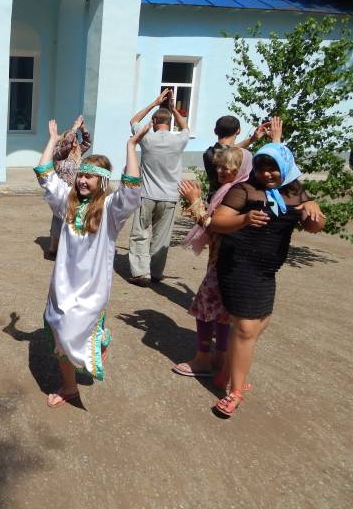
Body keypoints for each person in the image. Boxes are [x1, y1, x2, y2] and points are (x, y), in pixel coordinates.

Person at [34, 119, 149, 408]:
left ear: (102, 182)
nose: (83, 180)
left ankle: (96, 341)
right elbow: (45, 174)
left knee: (73, 332)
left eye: (90, 177)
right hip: (62, 286)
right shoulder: (67, 202)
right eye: (81, 175)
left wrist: (131, 146)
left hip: (90, 289)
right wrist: (52, 139)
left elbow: (131, 189)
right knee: (59, 332)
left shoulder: (111, 210)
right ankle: (70, 386)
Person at [209, 143, 325, 418]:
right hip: (238, 265)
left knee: (260, 323)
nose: (266, 174)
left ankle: (226, 372)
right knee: (246, 327)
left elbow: (314, 226)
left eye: (273, 168)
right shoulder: (245, 190)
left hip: (266, 270)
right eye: (261, 168)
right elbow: (217, 222)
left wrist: (313, 207)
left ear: (285, 168)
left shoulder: (295, 191)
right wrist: (244, 219)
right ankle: (236, 391)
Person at [173, 147, 252, 379]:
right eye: (218, 167)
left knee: (205, 308)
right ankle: (220, 355)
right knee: (221, 313)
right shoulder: (237, 189)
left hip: (225, 262)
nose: (220, 171)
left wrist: (195, 201)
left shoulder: (236, 193)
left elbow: (213, 224)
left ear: (240, 169)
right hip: (225, 260)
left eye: (227, 167)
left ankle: (203, 359)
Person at [127, 89, 190, 286]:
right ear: (170, 123)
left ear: (154, 122)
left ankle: (140, 273)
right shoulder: (179, 140)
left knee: (140, 233)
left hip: (146, 194)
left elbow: (133, 120)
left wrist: (154, 103)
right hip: (169, 196)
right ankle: (155, 272)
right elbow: (185, 126)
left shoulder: (146, 138)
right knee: (162, 237)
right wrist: (173, 109)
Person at [48, 115, 92, 257]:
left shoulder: (77, 153)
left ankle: (68, 245)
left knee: (73, 216)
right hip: (61, 191)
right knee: (58, 217)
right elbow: (67, 144)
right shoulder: (59, 153)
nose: (74, 142)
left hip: (75, 190)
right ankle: (54, 246)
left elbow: (87, 142)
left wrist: (83, 128)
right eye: (72, 139)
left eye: (75, 140)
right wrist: (74, 127)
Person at [203, 115, 273, 199]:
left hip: (214, 198)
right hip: (233, 199)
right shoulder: (239, 157)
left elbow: (230, 150)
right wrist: (275, 139)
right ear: (239, 130)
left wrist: (253, 138)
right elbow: (231, 152)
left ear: (215, 131)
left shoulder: (208, 153)